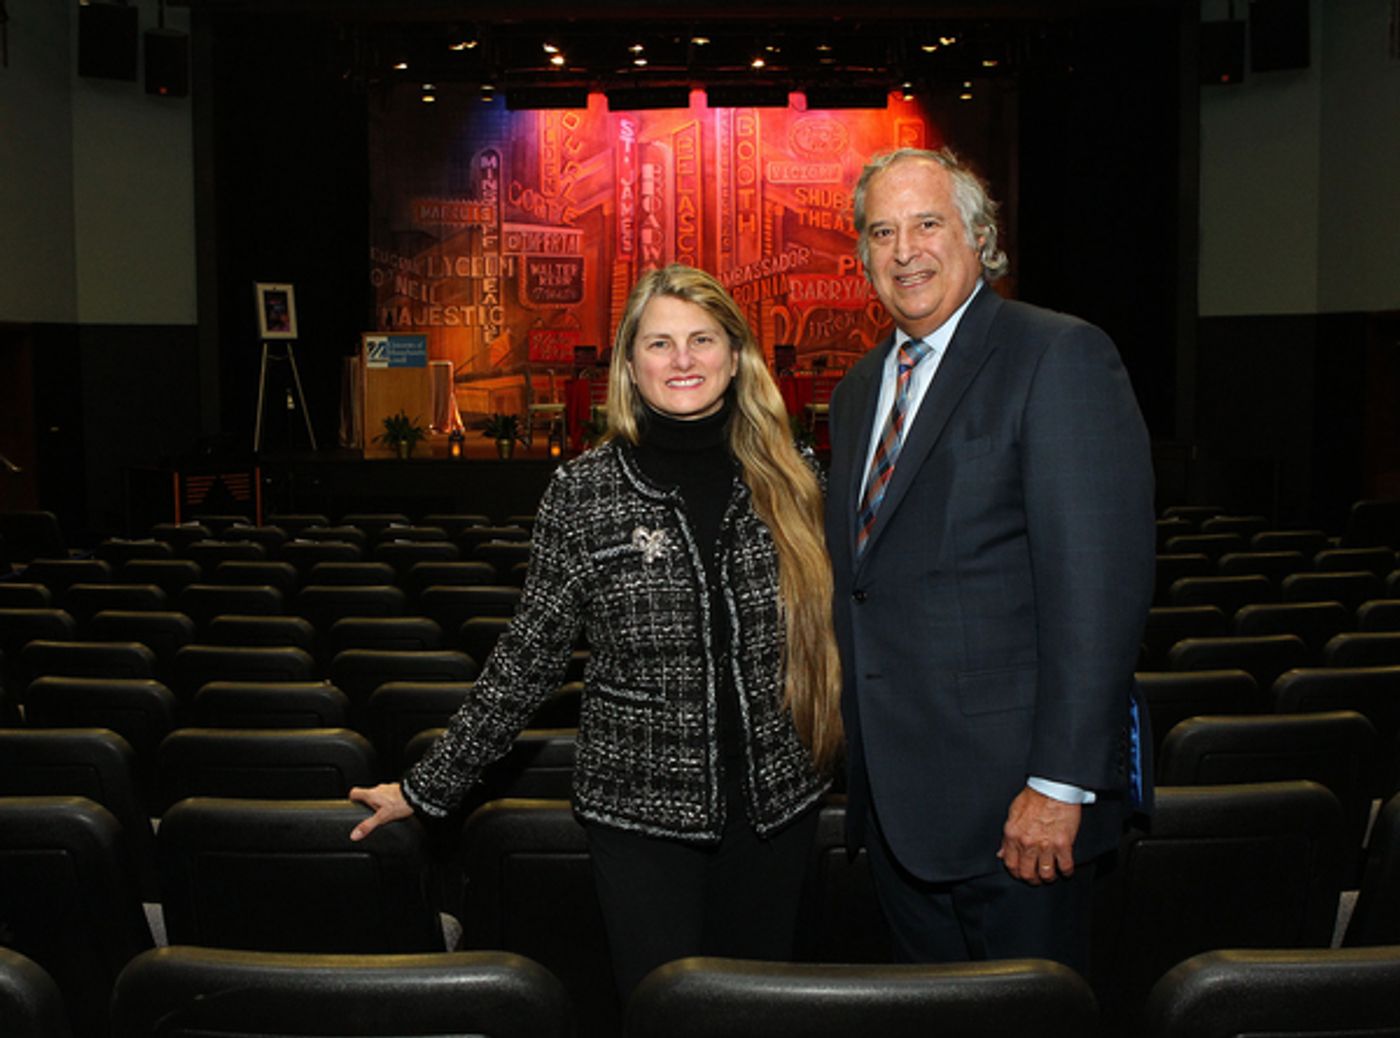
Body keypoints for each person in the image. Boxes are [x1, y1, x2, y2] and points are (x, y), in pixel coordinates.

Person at [349, 263, 842, 999]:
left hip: (778, 812)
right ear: (630, 365)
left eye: (702, 339)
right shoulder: (583, 490)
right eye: (660, 343)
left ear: (735, 356)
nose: (682, 360)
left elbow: (846, 635)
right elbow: (529, 653)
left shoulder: (796, 476)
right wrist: (427, 790)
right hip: (640, 820)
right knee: (660, 1012)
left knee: (759, 1012)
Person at [824, 146, 1155, 973]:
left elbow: (1098, 591)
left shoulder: (1058, 357)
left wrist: (1061, 784)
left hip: (1022, 818)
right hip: (900, 815)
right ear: (863, 254)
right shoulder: (860, 389)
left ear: (979, 238)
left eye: (928, 224)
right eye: (882, 232)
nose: (905, 251)